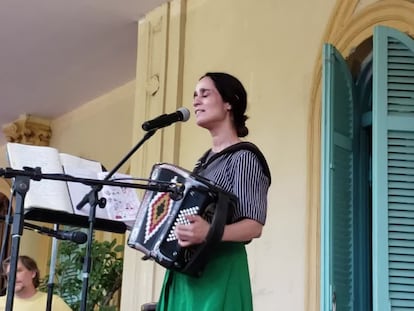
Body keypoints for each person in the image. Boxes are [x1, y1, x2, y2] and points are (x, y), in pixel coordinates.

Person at [156, 72, 271, 311]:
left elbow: (254, 226)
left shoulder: (244, 157)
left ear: (230, 102)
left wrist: (209, 232)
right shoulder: (203, 163)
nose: (196, 101)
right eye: (195, 95)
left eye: (205, 94)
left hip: (219, 272)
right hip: (187, 274)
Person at [0, 255, 72, 311]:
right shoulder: (1, 303)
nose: (13, 276)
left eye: (18, 271)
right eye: (9, 274)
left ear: (33, 273)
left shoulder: (52, 302)